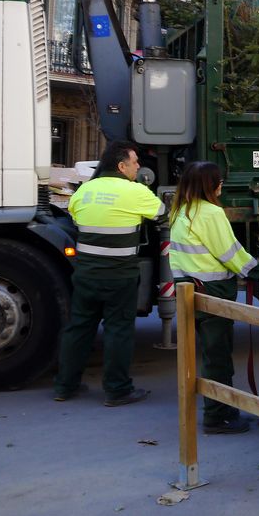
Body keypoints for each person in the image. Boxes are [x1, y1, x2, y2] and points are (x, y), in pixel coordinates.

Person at [169, 161, 259, 434]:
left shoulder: (181, 211)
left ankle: (220, 411)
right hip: (213, 296)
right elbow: (231, 254)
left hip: (190, 293)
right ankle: (218, 416)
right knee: (218, 359)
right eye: (219, 181)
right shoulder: (210, 213)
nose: (221, 185)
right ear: (211, 185)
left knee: (210, 355)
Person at [54, 141, 165, 406]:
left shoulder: (85, 191)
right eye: (135, 162)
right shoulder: (135, 191)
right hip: (119, 276)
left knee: (79, 328)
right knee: (118, 331)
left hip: (86, 274)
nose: (139, 166)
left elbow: (76, 218)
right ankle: (117, 390)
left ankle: (65, 387)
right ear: (121, 166)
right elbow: (163, 214)